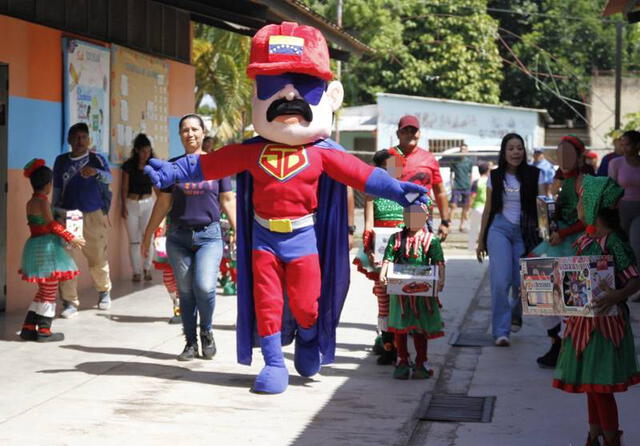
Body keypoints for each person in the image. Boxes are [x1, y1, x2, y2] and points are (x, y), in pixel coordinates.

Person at [144, 21, 429, 395]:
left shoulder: (323, 154)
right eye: (273, 85)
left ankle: (309, 341)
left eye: (304, 84)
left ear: (329, 95)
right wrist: (171, 171)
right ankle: (274, 363)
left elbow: (364, 177)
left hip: (303, 237)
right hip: (263, 238)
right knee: (268, 304)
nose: (289, 93)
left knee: (307, 304)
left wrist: (398, 191)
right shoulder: (250, 151)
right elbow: (206, 164)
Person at [141, 114, 237, 362]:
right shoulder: (172, 166)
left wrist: (239, 231)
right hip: (178, 236)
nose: (190, 134)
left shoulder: (218, 164)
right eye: (185, 130)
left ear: (203, 133)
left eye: (195, 129)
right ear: (180, 135)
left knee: (205, 287)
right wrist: (147, 234)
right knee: (185, 292)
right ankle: (190, 342)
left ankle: (206, 331)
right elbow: (163, 202)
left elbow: (228, 200)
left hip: (210, 236)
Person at [553, 176, 640, 446]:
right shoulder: (583, 240)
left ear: (593, 204)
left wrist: (618, 294)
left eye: (581, 200)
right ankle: (594, 435)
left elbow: (635, 278)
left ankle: (612, 438)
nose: (578, 205)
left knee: (600, 388)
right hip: (582, 324)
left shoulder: (614, 242)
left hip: (606, 327)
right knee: (591, 388)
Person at [476, 133, 544, 346]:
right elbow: (487, 210)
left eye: (519, 148)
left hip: (526, 232)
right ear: (504, 153)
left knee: (522, 282)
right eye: (511, 148)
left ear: (524, 151)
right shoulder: (495, 177)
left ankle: (516, 313)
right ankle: (500, 331)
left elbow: (542, 208)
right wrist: (481, 240)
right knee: (500, 281)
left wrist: (546, 235)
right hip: (499, 230)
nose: (516, 152)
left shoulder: (536, 174)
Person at [531, 135, 590, 368]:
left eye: (569, 153)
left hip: (574, 244)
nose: (564, 158)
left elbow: (587, 219)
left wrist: (563, 234)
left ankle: (570, 347)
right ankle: (557, 342)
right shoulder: (556, 179)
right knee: (539, 293)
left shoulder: (585, 181)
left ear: (579, 156)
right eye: (560, 152)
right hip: (552, 242)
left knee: (571, 297)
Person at [19, 159, 85, 342]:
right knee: (50, 290)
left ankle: (28, 328)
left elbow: (42, 224)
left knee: (43, 290)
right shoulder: (42, 203)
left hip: (35, 247)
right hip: (47, 249)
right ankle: (44, 331)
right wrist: (72, 237)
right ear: (48, 185)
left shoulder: (30, 202)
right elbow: (51, 225)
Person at [53, 122, 113, 318]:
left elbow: (109, 179)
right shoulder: (61, 161)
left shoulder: (97, 159)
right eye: (76, 137)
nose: (80, 141)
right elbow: (57, 188)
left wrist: (96, 173)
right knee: (67, 260)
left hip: (92, 214)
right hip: (68, 215)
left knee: (97, 257)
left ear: (89, 140)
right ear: (69, 140)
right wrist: (54, 210)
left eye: (83, 137)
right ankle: (70, 302)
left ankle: (104, 291)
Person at [379, 203, 445, 380]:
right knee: (400, 329)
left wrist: (440, 280)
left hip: (423, 293)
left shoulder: (431, 240)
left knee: (420, 329)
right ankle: (402, 361)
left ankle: (421, 362)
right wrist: (383, 274)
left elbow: (439, 262)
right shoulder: (397, 239)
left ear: (425, 217)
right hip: (400, 293)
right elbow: (388, 259)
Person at [353, 149, 404, 365]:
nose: (391, 171)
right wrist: (370, 248)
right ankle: (387, 346)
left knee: (401, 299)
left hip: (403, 252)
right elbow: (368, 225)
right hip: (380, 254)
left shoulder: (406, 191)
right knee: (383, 299)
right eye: (386, 167)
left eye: (395, 165)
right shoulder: (372, 194)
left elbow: (418, 219)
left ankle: (404, 349)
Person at [388, 115, 451, 241]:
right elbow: (384, 190)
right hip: (394, 219)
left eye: (413, 131)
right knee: (392, 258)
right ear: (398, 134)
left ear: (420, 134)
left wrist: (445, 221)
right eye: (405, 131)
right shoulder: (391, 157)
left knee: (421, 258)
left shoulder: (429, 159)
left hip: (423, 219)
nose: (410, 134)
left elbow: (440, 192)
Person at [120, 133, 156, 282]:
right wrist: (123, 206)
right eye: (143, 151)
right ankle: (136, 271)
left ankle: (147, 268)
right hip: (131, 203)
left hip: (148, 203)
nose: (145, 154)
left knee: (149, 236)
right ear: (136, 150)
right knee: (134, 240)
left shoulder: (153, 165)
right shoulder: (129, 165)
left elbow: (157, 186)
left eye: (148, 151)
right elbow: (124, 187)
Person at [608, 130, 640, 273]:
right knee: (622, 247)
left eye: (627, 145)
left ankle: (637, 287)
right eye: (622, 145)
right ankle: (625, 281)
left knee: (636, 245)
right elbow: (611, 187)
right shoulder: (616, 163)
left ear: (637, 145)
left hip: (638, 210)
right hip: (621, 209)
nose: (623, 149)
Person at [448, 144, 474, 232]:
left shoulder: (469, 162)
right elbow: (451, 175)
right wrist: (452, 186)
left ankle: (462, 225)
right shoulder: (454, 161)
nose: (463, 151)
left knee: (465, 207)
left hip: (466, 187)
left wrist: (470, 185)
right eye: (462, 149)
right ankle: (449, 225)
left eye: (465, 150)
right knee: (453, 206)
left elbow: (470, 174)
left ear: (467, 151)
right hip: (457, 186)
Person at [467, 162, 490, 251]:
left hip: (477, 207)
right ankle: (484, 245)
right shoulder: (489, 181)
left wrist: (469, 208)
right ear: (487, 170)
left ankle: (471, 247)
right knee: (485, 227)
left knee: (473, 227)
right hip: (486, 207)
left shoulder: (477, 182)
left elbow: (472, 196)